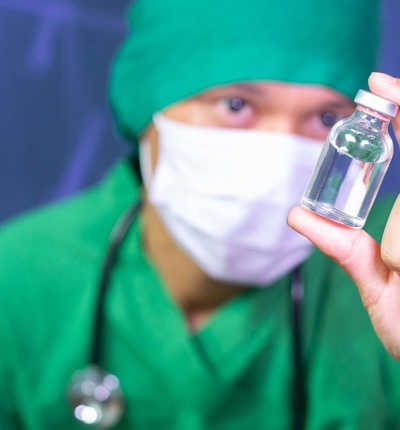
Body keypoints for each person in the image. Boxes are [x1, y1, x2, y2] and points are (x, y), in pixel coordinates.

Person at [0, 0, 400, 428]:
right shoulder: (21, 276)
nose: (278, 159)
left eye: (324, 117)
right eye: (235, 105)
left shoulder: (384, 270)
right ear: (149, 104)